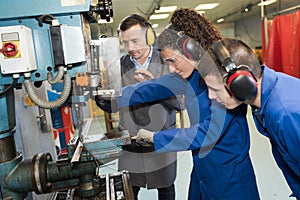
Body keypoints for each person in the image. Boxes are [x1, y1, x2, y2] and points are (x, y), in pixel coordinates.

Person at [100, 8, 260, 199]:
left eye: (172, 61)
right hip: (201, 168)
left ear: (192, 49)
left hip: (228, 175)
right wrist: (117, 98)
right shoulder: (189, 75)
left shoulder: (220, 81)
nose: (170, 68)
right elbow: (155, 87)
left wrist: (156, 138)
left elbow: (208, 133)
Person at [196, 37, 300, 199]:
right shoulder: (269, 94)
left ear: (240, 84)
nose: (211, 96)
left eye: (215, 89)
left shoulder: (284, 113)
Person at [96, 14, 183, 200]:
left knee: (166, 187)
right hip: (130, 139)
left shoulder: (167, 62)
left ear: (148, 37)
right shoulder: (118, 66)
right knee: (129, 188)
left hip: (161, 138)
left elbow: (180, 104)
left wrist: (158, 87)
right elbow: (110, 107)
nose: (130, 48)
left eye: (135, 41)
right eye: (125, 43)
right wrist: (98, 93)